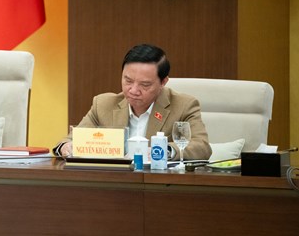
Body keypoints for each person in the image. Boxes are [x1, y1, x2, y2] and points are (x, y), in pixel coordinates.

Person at [54, 44, 211, 160]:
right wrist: (66, 147)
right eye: (128, 80)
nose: (133, 90)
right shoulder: (103, 105)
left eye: (145, 85)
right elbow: (70, 140)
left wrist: (164, 151)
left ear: (163, 82)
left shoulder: (184, 105)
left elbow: (202, 146)